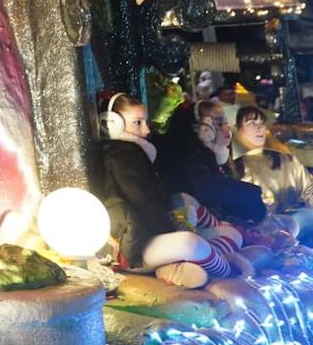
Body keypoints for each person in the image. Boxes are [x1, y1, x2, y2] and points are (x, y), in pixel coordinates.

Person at [98, 93, 250, 287]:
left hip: (151, 234)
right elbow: (143, 203)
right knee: (189, 242)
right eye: (137, 123)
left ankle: (193, 264)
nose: (145, 130)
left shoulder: (137, 154)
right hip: (133, 249)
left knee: (230, 234)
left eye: (145, 122)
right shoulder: (122, 156)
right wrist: (172, 229)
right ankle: (230, 273)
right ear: (112, 124)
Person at [155, 99, 266, 226]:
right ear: (200, 128)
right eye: (218, 124)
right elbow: (205, 189)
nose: (226, 129)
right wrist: (251, 193)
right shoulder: (185, 156)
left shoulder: (217, 156)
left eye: (226, 123)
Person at [232, 105, 313, 242]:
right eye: (252, 123)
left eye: (262, 124)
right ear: (238, 129)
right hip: (260, 231)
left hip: (297, 222)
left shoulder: (286, 159)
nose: (260, 128)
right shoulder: (233, 167)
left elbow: (308, 189)